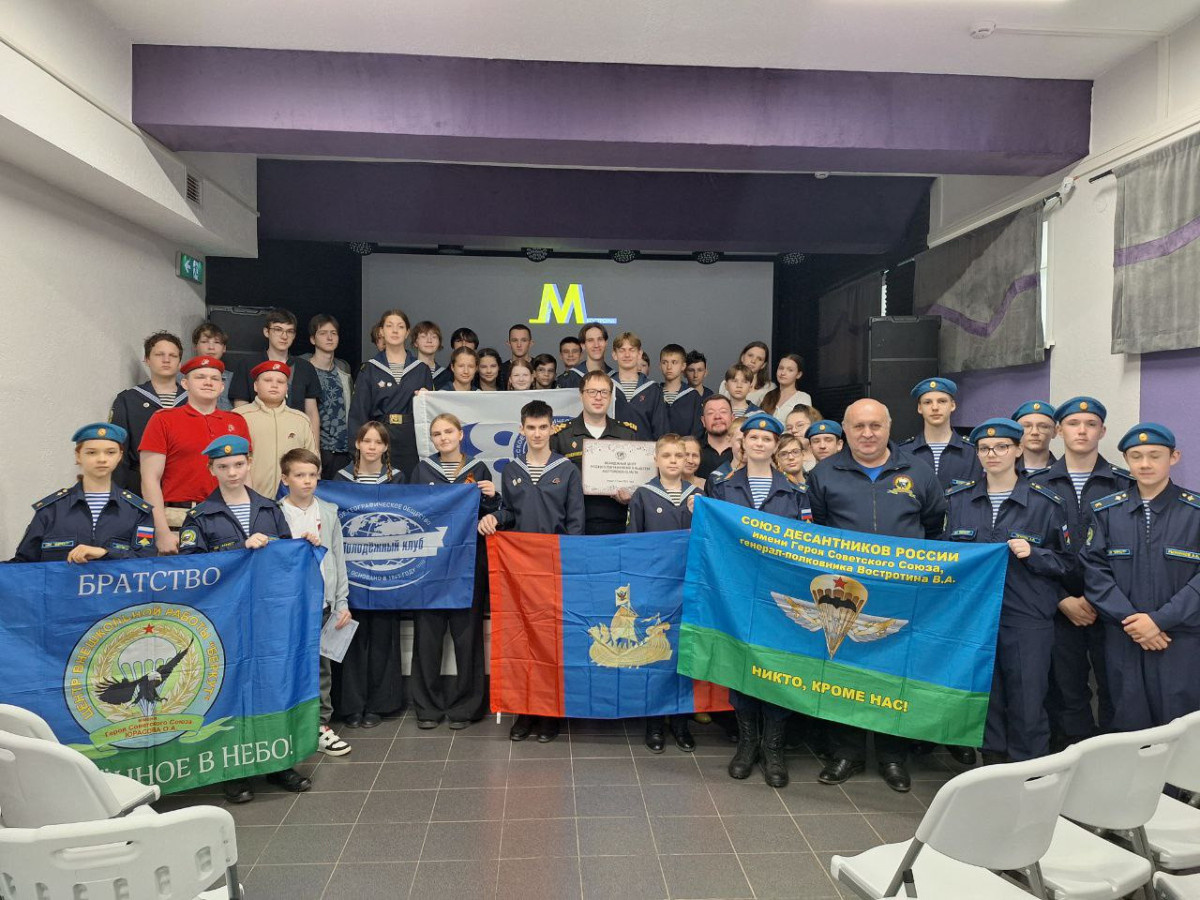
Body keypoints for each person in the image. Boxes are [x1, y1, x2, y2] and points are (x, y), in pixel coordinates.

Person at [805, 398, 947, 791]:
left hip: (903, 592)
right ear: (845, 430)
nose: (867, 434)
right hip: (845, 594)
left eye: (875, 426)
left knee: (896, 673)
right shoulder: (824, 473)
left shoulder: (918, 472)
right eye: (858, 426)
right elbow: (818, 527)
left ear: (889, 426)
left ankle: (893, 757)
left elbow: (933, 525)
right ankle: (846, 753)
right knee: (843, 669)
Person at [176, 436, 309, 802]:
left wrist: (303, 546)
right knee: (231, 691)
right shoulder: (200, 517)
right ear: (211, 469)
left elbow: (286, 559)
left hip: (268, 616)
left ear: (249, 463)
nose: (232, 472)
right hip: (225, 620)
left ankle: (278, 761)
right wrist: (240, 549)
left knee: (272, 686)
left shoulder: (269, 509)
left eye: (238, 465)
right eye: (223, 467)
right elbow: (192, 572)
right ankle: (234, 770)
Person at [943, 418, 1071, 762]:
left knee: (1028, 704)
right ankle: (992, 774)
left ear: (1018, 449)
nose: (992, 454)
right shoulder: (958, 500)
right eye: (984, 448)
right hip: (975, 617)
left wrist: (1036, 554)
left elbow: (1069, 563)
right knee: (986, 702)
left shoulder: (1046, 503)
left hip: (1027, 617)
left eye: (1001, 447)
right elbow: (946, 555)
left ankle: (1028, 777)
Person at [1082, 423, 1200, 730]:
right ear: (1126, 460)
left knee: (1181, 728)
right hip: (1125, 638)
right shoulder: (1106, 512)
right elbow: (1094, 573)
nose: (1145, 464)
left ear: (1174, 457)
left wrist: (1160, 621)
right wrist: (1135, 623)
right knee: (1127, 725)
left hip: (1181, 640)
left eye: (1154, 455)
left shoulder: (1196, 512)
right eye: (1136, 456)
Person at [479, 399, 585, 742]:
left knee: (551, 641)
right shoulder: (512, 470)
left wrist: (570, 567)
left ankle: (549, 713)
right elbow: (511, 513)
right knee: (522, 638)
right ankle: (524, 711)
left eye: (543, 427)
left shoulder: (568, 470)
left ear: (552, 428)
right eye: (531, 428)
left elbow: (576, 524)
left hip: (554, 567)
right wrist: (495, 517)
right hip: (521, 570)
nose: (537, 434)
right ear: (521, 429)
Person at [710, 415, 805, 788]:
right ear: (743, 442)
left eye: (768, 438)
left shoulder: (796, 492)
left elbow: (808, 543)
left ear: (776, 445)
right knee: (742, 664)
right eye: (754, 437)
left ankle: (773, 748)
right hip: (737, 591)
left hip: (780, 595)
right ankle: (747, 744)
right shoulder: (723, 487)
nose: (760, 443)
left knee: (777, 664)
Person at [1039, 396, 1132, 748]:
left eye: (1091, 424)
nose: (1082, 431)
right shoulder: (1037, 485)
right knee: (1067, 692)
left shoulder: (1124, 484)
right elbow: (1032, 552)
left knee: (1116, 688)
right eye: (1073, 424)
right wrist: (1061, 598)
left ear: (1102, 431)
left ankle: (1111, 759)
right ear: (1059, 431)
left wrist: (1102, 599)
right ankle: (1071, 757)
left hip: (1112, 607)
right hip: (1060, 605)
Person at [409, 415, 499, 729]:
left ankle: (467, 707)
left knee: (467, 638)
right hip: (429, 567)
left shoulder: (479, 469)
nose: (443, 437)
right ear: (432, 439)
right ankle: (427, 707)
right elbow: (411, 514)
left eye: (448, 431)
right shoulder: (422, 470)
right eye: (437, 433)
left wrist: (493, 498)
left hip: (466, 565)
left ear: (461, 434)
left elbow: (489, 514)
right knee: (427, 639)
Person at [278, 448, 353, 758]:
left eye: (312, 475)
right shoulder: (274, 513)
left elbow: (338, 557)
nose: (307, 481)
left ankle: (320, 726)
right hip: (287, 605)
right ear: (285, 479)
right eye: (299, 475)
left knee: (322, 668)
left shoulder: (329, 511)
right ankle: (286, 726)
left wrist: (341, 602)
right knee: (286, 666)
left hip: (322, 603)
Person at [138, 356, 252, 555]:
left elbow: (246, 477)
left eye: (214, 378)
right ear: (185, 383)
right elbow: (149, 479)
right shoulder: (163, 420)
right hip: (179, 518)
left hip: (228, 516)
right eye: (200, 377)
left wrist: (248, 521)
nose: (208, 382)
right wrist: (162, 532)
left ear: (222, 386)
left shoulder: (236, 421)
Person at [334, 422, 406, 728]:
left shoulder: (398, 478)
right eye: (367, 441)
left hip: (387, 573)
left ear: (386, 447)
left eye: (378, 442)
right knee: (350, 638)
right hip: (351, 571)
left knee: (382, 639)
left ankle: (380, 704)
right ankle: (351, 706)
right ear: (358, 444)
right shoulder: (339, 479)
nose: (372, 447)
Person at [12, 423, 155, 562]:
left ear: (119, 456)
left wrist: (106, 553)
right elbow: (23, 565)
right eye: (91, 452)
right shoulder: (50, 510)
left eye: (110, 452)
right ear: (78, 456)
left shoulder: (137, 511)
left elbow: (147, 561)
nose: (102, 459)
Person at [551, 371, 638, 535]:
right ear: (581, 395)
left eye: (604, 392)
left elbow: (638, 481)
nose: (598, 397)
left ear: (611, 396)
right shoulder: (561, 435)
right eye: (592, 392)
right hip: (574, 525)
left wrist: (631, 495)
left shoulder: (627, 434)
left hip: (618, 524)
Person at [348, 308, 433, 476]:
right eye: (389, 326)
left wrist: (426, 398)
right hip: (379, 438)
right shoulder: (369, 369)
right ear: (381, 331)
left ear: (407, 333)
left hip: (412, 440)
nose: (395, 331)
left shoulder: (421, 369)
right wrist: (355, 452)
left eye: (400, 326)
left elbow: (430, 414)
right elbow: (359, 412)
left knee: (409, 486)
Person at [109, 332, 186, 493]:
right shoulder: (129, 400)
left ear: (179, 363)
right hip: (139, 485)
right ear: (147, 359)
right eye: (159, 355)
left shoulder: (193, 400)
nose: (166, 360)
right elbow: (118, 450)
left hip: (184, 485)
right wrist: (117, 494)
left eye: (173, 356)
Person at [229, 309, 321, 439]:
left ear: (294, 335)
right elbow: (240, 409)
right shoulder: (247, 364)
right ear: (266, 332)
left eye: (289, 331)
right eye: (278, 329)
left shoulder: (305, 367)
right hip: (257, 437)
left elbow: (311, 413)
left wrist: (314, 449)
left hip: (296, 439)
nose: (284, 336)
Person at [234, 361, 318, 497]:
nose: (274, 385)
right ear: (255, 385)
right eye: (268, 380)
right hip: (249, 500)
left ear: (287, 388)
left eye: (281, 382)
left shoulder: (301, 420)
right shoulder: (238, 417)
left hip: (292, 501)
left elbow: (312, 462)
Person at [898, 378, 982, 490]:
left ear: (952, 405)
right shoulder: (903, 453)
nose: (935, 408)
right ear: (919, 408)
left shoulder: (973, 452)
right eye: (927, 402)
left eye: (942, 401)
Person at [299, 314, 353, 479]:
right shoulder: (303, 369)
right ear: (312, 339)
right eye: (323, 333)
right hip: (316, 448)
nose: (329, 337)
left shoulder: (343, 369)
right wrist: (313, 452)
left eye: (333, 333)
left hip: (344, 450)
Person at [611, 332, 668, 440]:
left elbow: (661, 431)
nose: (627, 355)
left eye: (632, 350)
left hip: (645, 449)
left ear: (639, 353)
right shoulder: (605, 387)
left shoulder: (653, 389)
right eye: (622, 350)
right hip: (610, 448)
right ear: (614, 354)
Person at [661, 343, 703, 438]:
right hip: (657, 446)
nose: (669, 367)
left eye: (674, 362)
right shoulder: (654, 393)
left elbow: (697, 431)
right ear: (660, 365)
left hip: (685, 446)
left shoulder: (693, 396)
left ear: (683, 366)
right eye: (664, 362)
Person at [557, 323, 615, 388]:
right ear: (583, 346)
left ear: (606, 343)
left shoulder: (615, 377)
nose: (596, 345)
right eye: (590, 340)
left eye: (600, 339)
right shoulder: (568, 379)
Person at [192, 322, 234, 410]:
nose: (211, 347)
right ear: (195, 346)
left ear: (224, 348)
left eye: (217, 342)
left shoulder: (233, 378)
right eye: (205, 342)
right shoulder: (181, 377)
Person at [1012, 400, 1058, 478]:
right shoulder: (1003, 471)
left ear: (1055, 432)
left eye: (1043, 426)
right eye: (1027, 426)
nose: (1035, 432)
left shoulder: (1064, 473)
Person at [760, 354, 812, 421]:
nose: (783, 373)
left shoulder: (803, 397)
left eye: (790, 370)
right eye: (781, 368)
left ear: (798, 374)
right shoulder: (767, 396)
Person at [719, 341, 773, 405]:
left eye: (759, 359)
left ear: (763, 365)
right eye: (750, 356)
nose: (753, 361)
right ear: (742, 357)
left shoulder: (769, 388)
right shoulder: (725, 383)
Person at [696, 395, 735, 479]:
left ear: (732, 418)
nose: (717, 417)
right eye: (710, 413)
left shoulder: (743, 450)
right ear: (703, 421)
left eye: (723, 412)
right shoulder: (694, 451)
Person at [410, 320, 451, 390]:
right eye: (423, 336)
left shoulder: (446, 375)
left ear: (439, 342)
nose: (429, 340)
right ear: (415, 342)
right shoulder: (408, 371)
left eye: (434, 337)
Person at [785, 406, 821, 472]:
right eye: (789, 428)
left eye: (800, 425)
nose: (793, 430)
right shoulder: (782, 460)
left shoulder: (826, 455)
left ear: (814, 425)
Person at [499, 324, 534, 388]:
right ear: (508, 343)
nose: (519, 345)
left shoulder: (538, 367)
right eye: (514, 340)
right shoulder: (501, 370)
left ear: (531, 343)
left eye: (524, 340)